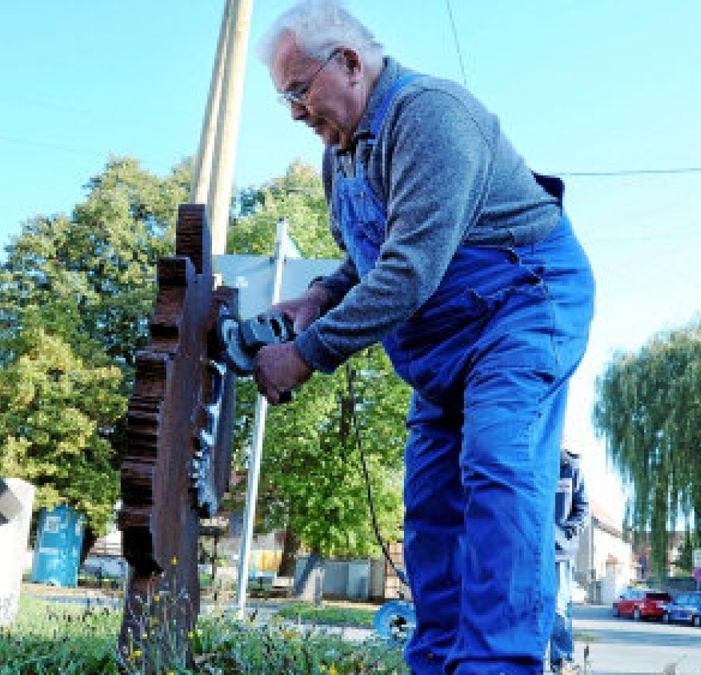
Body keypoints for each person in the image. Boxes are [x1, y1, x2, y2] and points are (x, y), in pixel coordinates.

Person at [254, 2, 595, 673]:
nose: (294, 111)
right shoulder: (340, 159)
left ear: (349, 62)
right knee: (431, 503)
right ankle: (438, 660)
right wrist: (318, 296)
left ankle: (502, 662)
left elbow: (410, 269)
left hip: (523, 306)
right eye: (284, 98)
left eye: (299, 90)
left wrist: (307, 353)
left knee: (499, 465)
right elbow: (370, 259)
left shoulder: (432, 116)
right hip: (440, 343)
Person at [550, 448, 590, 675]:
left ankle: (562, 663)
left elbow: (583, 510)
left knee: (558, 609)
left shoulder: (570, 470)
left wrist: (566, 533)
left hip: (559, 553)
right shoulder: (529, 461)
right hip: (530, 550)